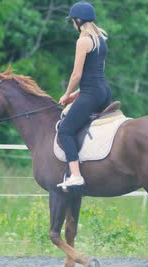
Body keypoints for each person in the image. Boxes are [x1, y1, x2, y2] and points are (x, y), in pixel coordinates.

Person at [57, 1, 112, 189]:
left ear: (79, 20)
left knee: (65, 130)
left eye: (73, 21)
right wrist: (77, 93)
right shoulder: (100, 40)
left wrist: (66, 94)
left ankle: (76, 175)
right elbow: (95, 73)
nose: (73, 24)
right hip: (103, 92)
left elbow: (77, 74)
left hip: (91, 94)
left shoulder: (83, 41)